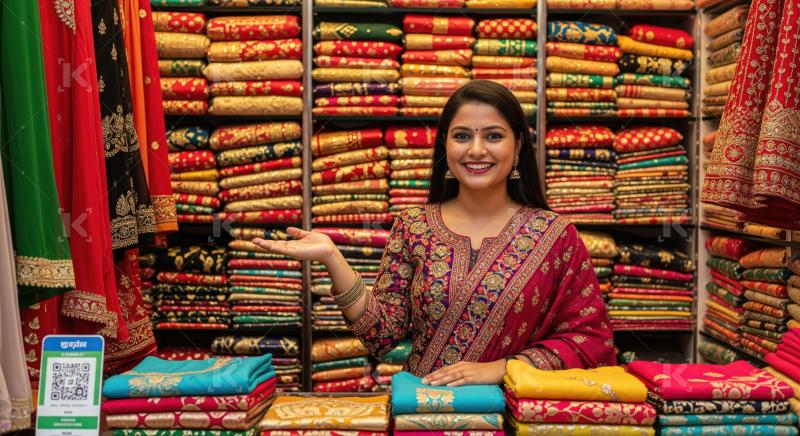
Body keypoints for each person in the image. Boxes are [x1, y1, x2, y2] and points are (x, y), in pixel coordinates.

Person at [253, 80, 616, 387]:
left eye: (493, 136)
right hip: (424, 413)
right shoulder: (413, 226)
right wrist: (333, 257)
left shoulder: (555, 236)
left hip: (513, 415)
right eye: (462, 136)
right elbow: (381, 334)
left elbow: (591, 341)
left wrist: (500, 369)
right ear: (445, 145)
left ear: (518, 145)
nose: (476, 150)